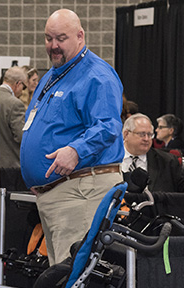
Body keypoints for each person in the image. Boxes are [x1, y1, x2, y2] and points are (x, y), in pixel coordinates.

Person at [20, 9, 124, 265]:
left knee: (71, 280)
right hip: (55, 194)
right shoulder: (52, 75)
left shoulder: (97, 75)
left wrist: (76, 150)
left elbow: (108, 126)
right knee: (59, 277)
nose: (53, 46)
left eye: (61, 39)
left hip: (80, 192)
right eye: (48, 38)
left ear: (80, 36)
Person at [122, 114, 184, 194]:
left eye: (150, 135)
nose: (146, 139)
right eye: (142, 134)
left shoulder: (167, 160)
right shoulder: (110, 159)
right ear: (126, 134)